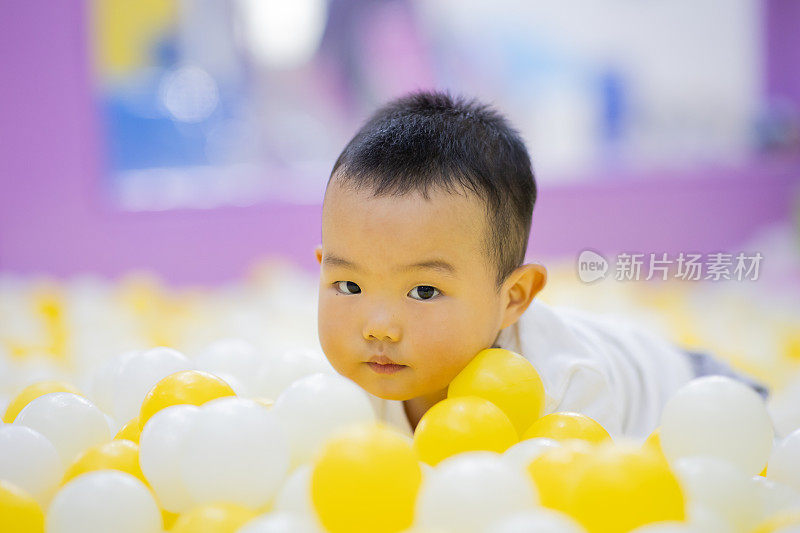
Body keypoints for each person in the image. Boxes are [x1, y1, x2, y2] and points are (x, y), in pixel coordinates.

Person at [313, 90, 767, 440]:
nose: (379, 327)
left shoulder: (562, 390)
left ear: (514, 298)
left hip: (711, 395)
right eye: (349, 285)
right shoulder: (349, 385)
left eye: (424, 291)